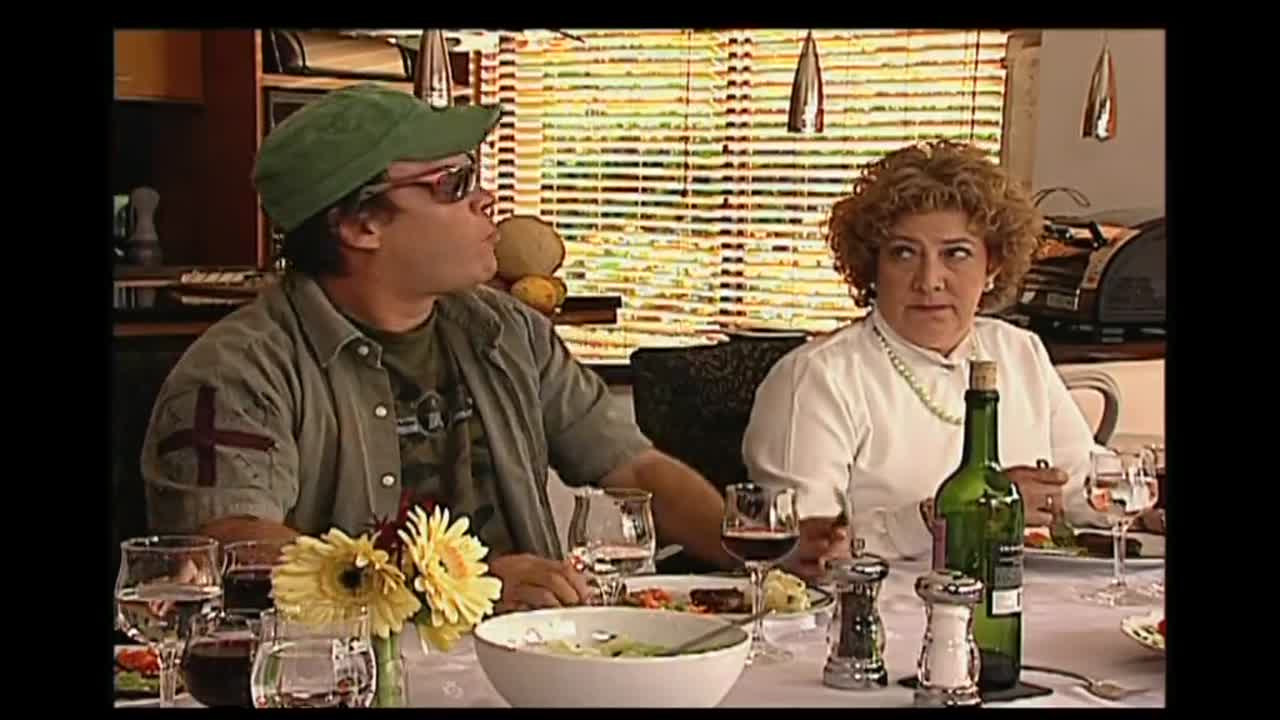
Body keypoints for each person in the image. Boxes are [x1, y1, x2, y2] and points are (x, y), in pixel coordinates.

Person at [140, 83, 731, 611]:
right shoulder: (239, 371)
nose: (486, 198)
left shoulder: (507, 330)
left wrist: (758, 550)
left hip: (535, 659)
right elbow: (233, 542)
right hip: (357, 673)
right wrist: (452, 587)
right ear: (360, 225)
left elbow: (633, 466)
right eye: (454, 185)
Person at [742, 140, 1163, 578]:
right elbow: (804, 551)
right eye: (904, 253)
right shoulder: (817, 377)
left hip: (1024, 600)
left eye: (956, 254)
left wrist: (1141, 510)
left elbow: (1079, 488)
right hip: (877, 611)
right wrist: (941, 518)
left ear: (993, 266)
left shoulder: (1019, 352)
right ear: (872, 266)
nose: (929, 281)